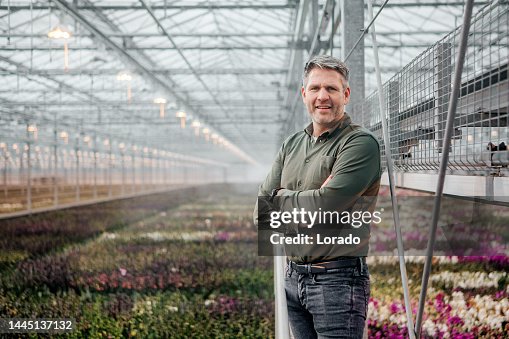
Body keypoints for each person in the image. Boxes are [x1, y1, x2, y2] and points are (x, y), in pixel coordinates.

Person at [254, 55, 381, 338]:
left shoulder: (359, 143)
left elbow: (326, 207)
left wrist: (282, 197)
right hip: (293, 276)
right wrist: (308, 199)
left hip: (337, 280)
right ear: (304, 94)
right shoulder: (292, 144)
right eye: (315, 88)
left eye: (332, 89)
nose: (322, 96)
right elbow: (262, 213)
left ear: (345, 94)